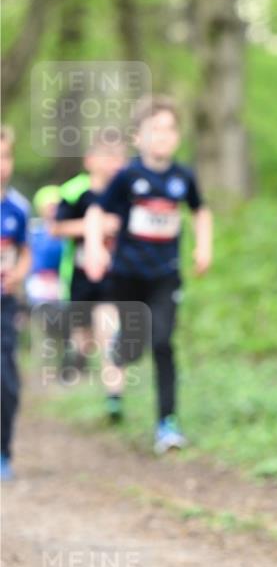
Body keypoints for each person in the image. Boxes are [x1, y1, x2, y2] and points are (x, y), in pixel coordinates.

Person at [84, 96, 212, 453]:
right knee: (134, 343)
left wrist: (203, 247)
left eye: (170, 129)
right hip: (126, 275)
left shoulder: (183, 176)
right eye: (155, 130)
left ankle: (167, 424)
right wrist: (94, 247)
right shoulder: (127, 176)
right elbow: (97, 211)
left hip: (164, 275)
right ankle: (122, 347)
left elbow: (201, 212)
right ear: (138, 137)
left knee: (162, 342)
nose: (163, 137)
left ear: (178, 136)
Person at [51, 128, 127, 415]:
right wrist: (93, 226)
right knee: (84, 337)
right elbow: (55, 228)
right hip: (80, 278)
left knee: (110, 333)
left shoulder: (126, 192)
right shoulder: (74, 191)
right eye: (107, 157)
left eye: (119, 157)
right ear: (90, 159)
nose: (113, 163)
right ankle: (75, 359)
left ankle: (114, 397)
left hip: (113, 278)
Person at [1, 126, 31, 480]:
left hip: (4, 306)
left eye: (5, 157)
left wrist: (19, 273)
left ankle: (3, 450)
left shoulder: (18, 209)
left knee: (5, 381)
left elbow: (26, 253)